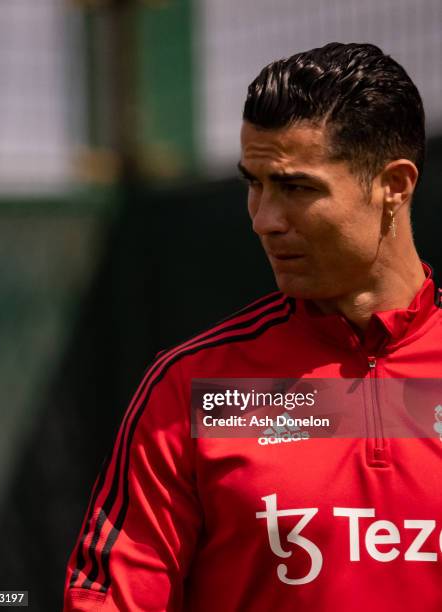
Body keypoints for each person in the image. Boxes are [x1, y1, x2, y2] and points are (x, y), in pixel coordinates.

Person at [64, 42, 442, 611]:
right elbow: (108, 599)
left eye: (296, 188)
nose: (265, 220)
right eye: (254, 184)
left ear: (395, 184)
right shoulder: (195, 385)